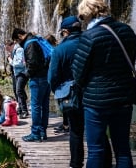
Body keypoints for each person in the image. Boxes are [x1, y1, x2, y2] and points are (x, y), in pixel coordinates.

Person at [72, 0, 136, 168]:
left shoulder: (89, 36)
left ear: (87, 11)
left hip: (97, 101)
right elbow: (130, 62)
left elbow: (78, 74)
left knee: (96, 149)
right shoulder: (127, 31)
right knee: (123, 149)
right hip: (124, 98)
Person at [48, 16, 84, 168]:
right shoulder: (91, 41)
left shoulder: (60, 49)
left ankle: (76, 163)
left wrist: (58, 90)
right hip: (95, 92)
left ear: (65, 31)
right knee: (99, 131)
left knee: (76, 131)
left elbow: (52, 77)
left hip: (72, 95)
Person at [11, 28, 51, 142]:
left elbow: (33, 64)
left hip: (37, 79)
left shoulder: (30, 44)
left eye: (16, 41)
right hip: (46, 77)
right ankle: (43, 131)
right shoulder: (36, 40)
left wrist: (25, 75)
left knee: (36, 106)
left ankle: (36, 134)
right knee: (44, 106)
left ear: (19, 36)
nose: (17, 44)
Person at [44, 34, 69, 133]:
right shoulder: (58, 48)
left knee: (64, 104)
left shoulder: (55, 51)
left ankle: (66, 125)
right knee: (64, 104)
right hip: (63, 80)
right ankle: (65, 123)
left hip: (61, 81)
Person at [6, 40, 29, 119]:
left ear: (11, 45)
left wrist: (10, 61)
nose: (7, 50)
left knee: (19, 90)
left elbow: (19, 63)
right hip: (17, 73)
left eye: (7, 48)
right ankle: (20, 108)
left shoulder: (19, 50)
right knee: (17, 90)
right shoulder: (15, 51)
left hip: (22, 73)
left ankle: (24, 110)